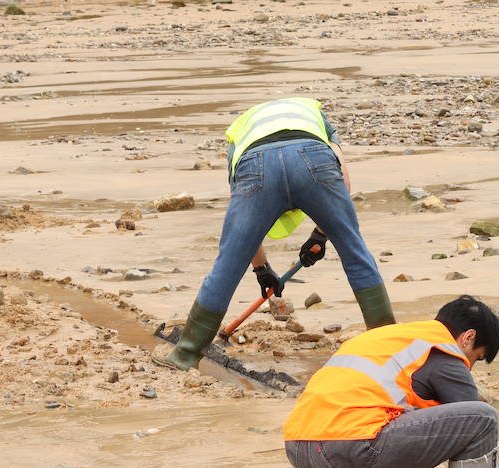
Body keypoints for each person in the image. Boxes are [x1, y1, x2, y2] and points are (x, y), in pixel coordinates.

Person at [155, 97, 394, 371]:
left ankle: (184, 355)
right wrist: (320, 234)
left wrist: (261, 269)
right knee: (355, 253)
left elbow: (245, 230)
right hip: (313, 157)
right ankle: (388, 350)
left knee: (228, 265)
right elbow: (343, 180)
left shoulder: (240, 131)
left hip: (256, 164)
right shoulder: (315, 115)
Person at [282, 294, 499, 468]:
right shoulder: (442, 353)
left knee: (386, 411)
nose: (468, 368)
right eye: (476, 358)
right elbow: (479, 439)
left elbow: (360, 402)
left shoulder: (392, 339)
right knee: (483, 417)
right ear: (468, 338)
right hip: (349, 451)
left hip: (299, 450)